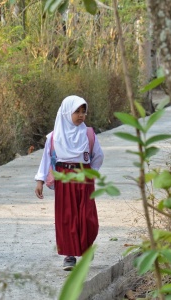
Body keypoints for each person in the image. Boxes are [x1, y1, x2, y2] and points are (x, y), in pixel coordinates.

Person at [34, 95, 104, 271]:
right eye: (76, 112)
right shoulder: (54, 137)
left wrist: (90, 173)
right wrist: (40, 180)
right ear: (66, 113)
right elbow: (46, 159)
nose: (81, 115)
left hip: (84, 177)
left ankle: (87, 247)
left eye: (83, 111)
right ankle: (69, 256)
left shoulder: (88, 134)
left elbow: (98, 156)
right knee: (67, 216)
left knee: (88, 216)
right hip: (64, 178)